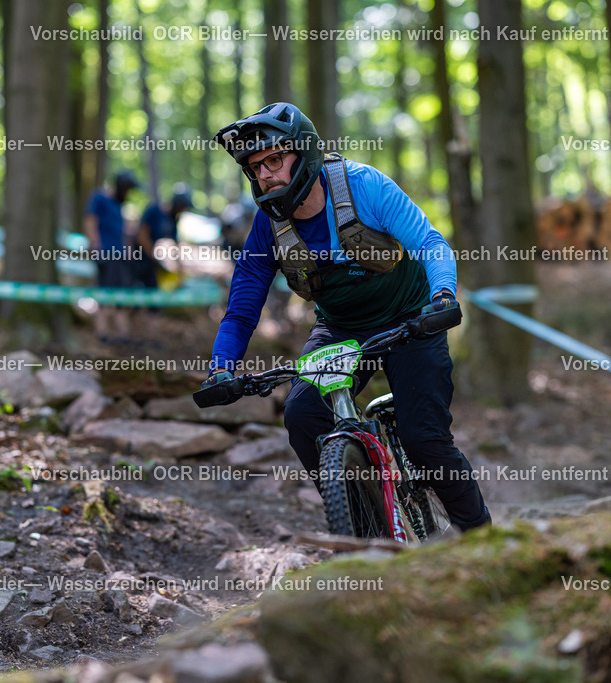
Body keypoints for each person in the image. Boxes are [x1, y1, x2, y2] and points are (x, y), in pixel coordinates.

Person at [203, 102, 490, 532]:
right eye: (255, 167)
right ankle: (359, 521)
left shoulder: (364, 187)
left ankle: (482, 539)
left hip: (412, 319)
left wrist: (443, 296)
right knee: (302, 416)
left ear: (305, 153)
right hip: (341, 330)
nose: (265, 175)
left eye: (274, 160)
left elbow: (430, 242)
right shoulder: (268, 227)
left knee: (425, 440)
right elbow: (243, 306)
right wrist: (221, 367)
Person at [84, 170, 138, 341]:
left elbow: (122, 230)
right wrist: (94, 242)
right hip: (106, 254)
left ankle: (122, 333)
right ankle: (103, 332)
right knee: (104, 293)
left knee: (121, 293)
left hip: (120, 256)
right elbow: (90, 219)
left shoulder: (118, 205)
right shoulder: (100, 197)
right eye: (127, 189)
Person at [133, 184, 194, 289]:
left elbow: (175, 246)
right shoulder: (154, 211)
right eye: (182, 207)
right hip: (139, 261)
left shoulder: (173, 219)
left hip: (153, 266)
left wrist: (180, 269)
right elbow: (141, 237)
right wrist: (154, 256)